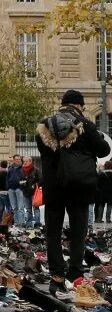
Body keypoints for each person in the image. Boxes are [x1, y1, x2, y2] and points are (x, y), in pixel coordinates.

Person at [38, 89, 111, 288]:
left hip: (54, 187)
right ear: (78, 105)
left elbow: (43, 152)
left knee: (52, 231)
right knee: (79, 231)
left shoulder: (45, 125)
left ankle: (56, 274)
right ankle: (75, 273)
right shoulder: (85, 124)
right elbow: (104, 150)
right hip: (79, 186)